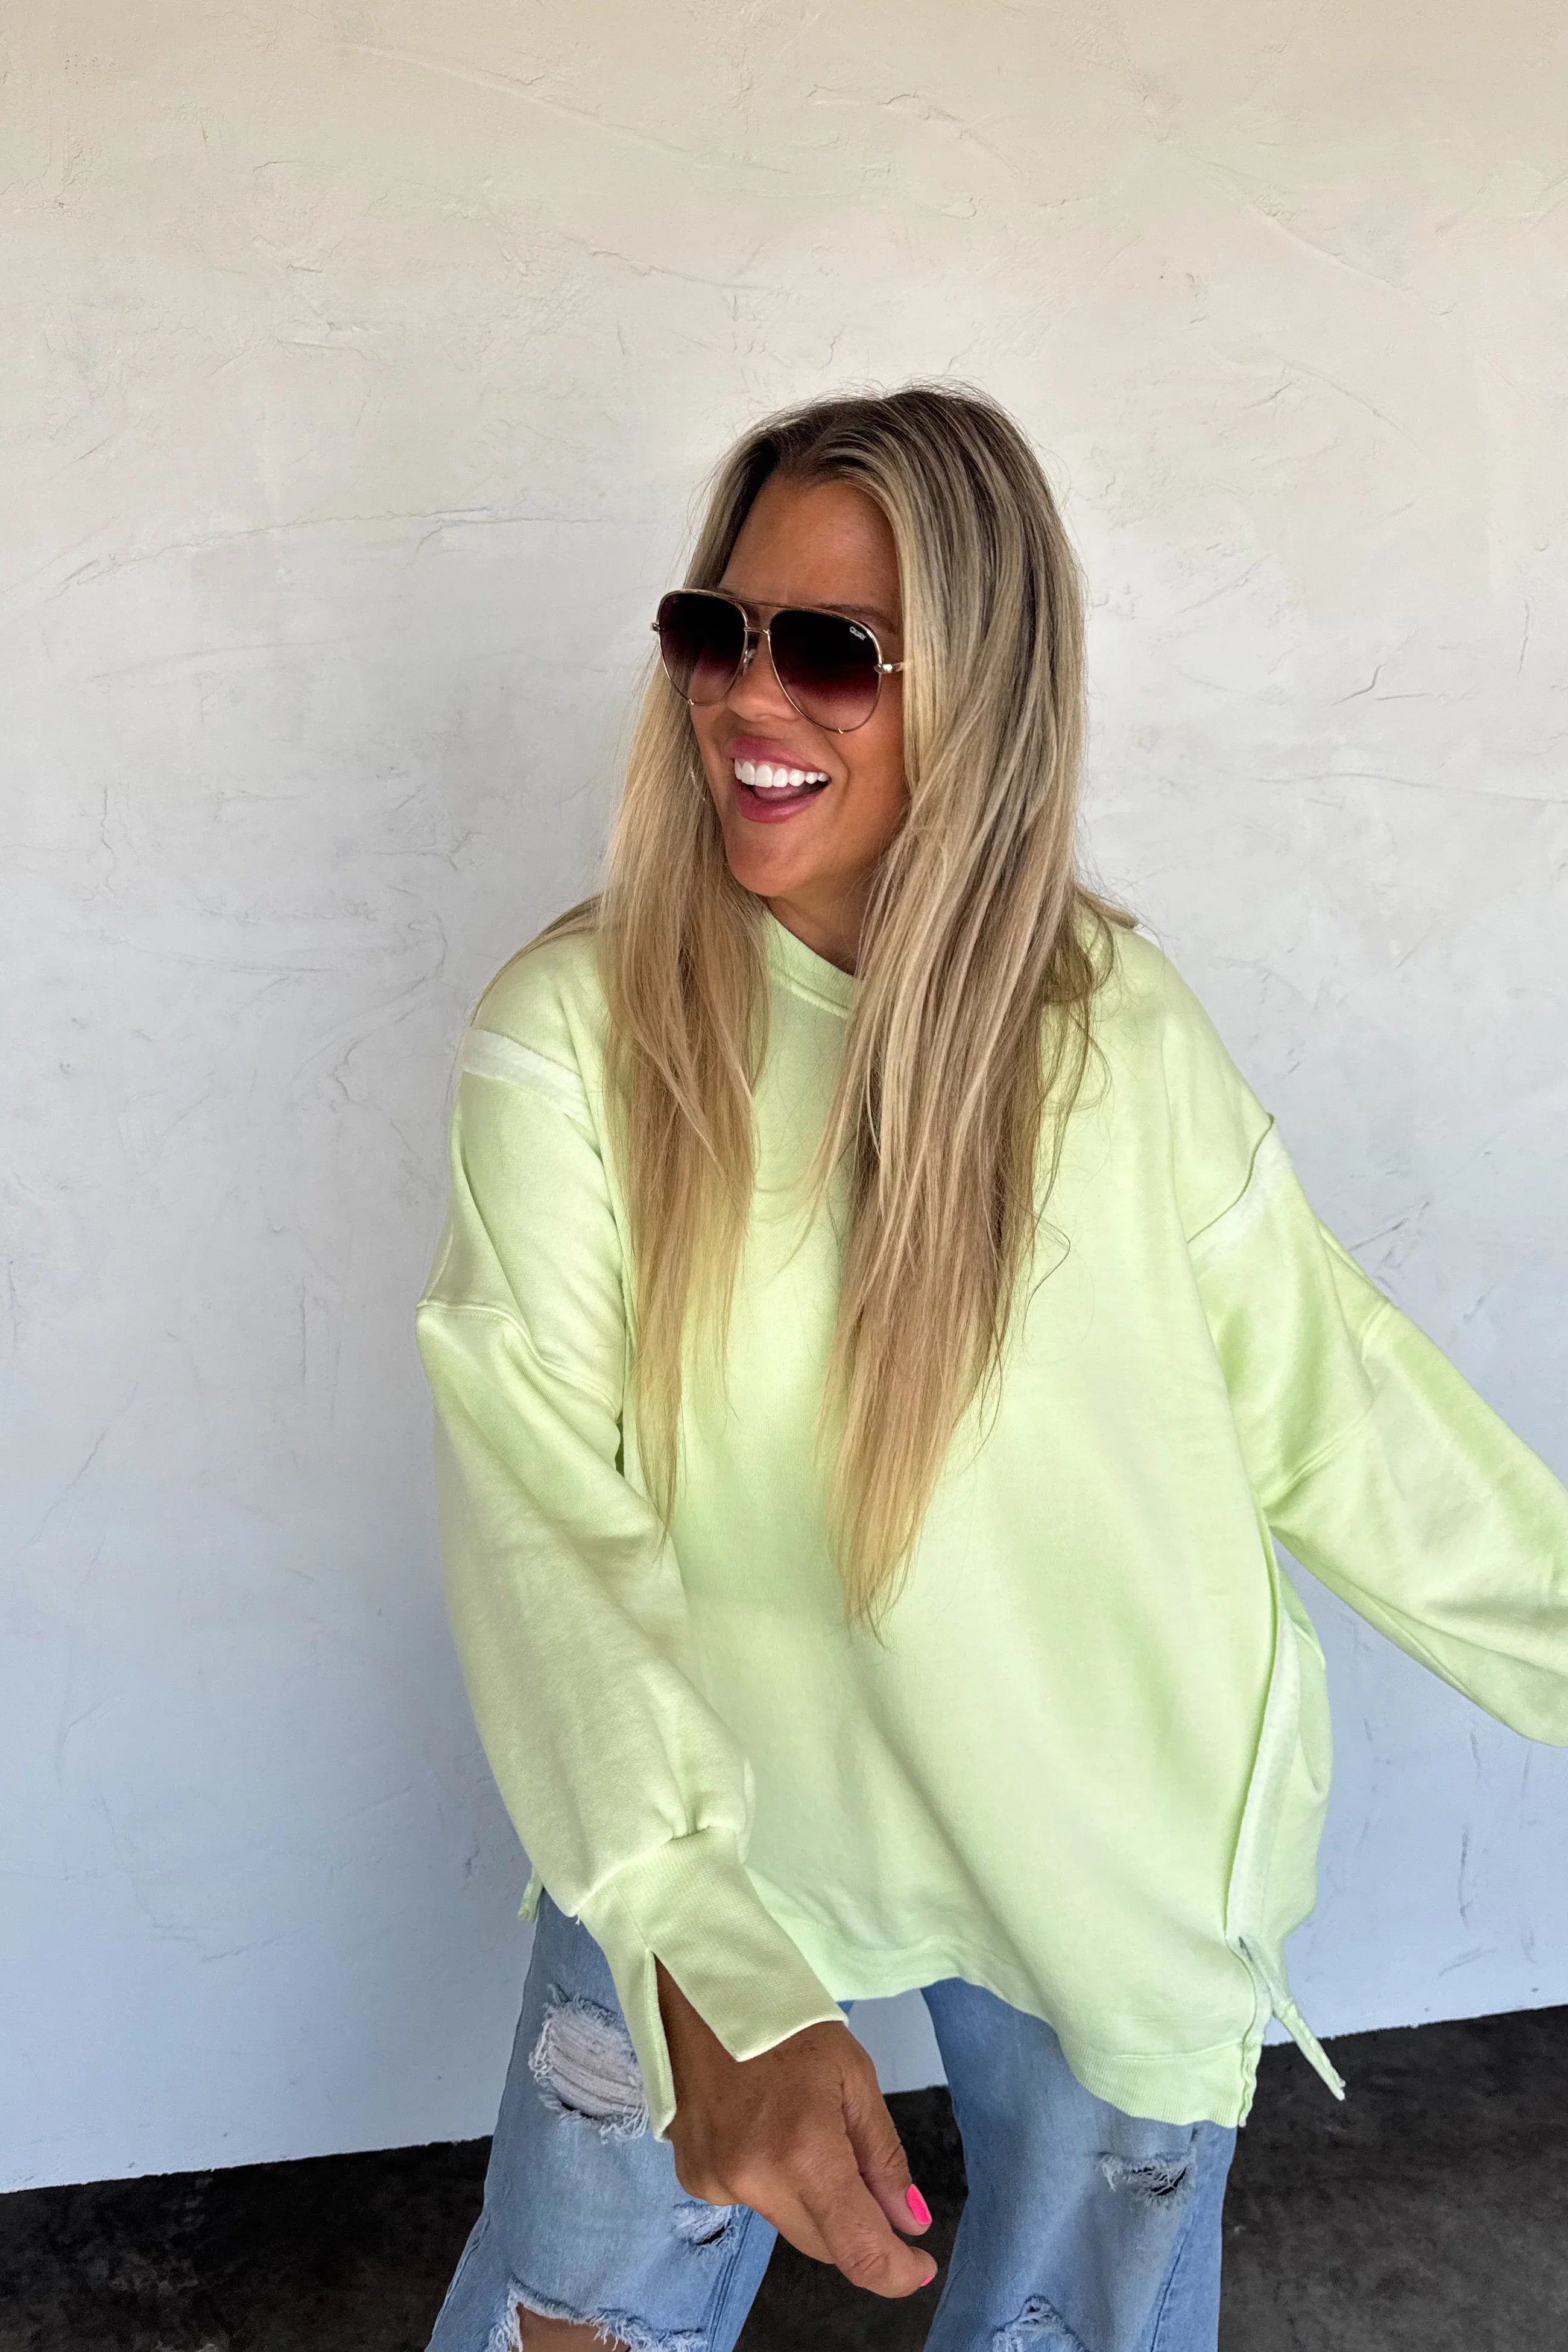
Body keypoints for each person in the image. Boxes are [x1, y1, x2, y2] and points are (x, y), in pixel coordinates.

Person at [414, 384, 1568, 2352]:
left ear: (986, 690)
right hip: (711, 1813)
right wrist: (705, 1962)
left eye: (831, 649)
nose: (748, 695)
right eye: (716, 629)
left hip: (1097, 1842)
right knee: (572, 2320)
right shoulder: (575, 1042)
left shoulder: (1112, 1033)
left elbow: (1340, 1410)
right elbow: (545, 1534)